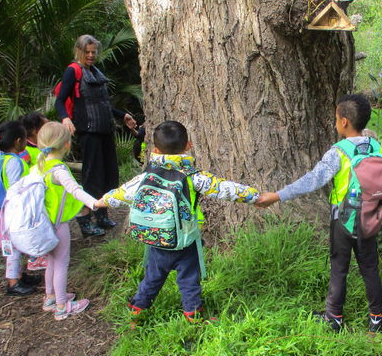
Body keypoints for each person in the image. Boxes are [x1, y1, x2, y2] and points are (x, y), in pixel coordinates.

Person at [256, 94, 382, 334]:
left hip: (342, 220)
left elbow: (312, 180)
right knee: (370, 268)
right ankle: (377, 320)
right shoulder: (377, 148)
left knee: (339, 267)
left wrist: (278, 195)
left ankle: (334, 318)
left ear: (343, 122)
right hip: (370, 219)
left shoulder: (339, 152)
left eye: (336, 118)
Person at [94, 121, 260, 324]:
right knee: (189, 278)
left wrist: (99, 202)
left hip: (156, 239)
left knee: (152, 277)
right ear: (188, 146)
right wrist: (255, 197)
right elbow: (224, 188)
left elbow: (119, 194)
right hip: (185, 241)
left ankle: (137, 309)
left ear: (155, 150)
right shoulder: (193, 176)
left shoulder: (145, 177)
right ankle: (192, 315)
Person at [55, 34, 136, 237]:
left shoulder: (96, 72)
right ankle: (84, 219)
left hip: (105, 129)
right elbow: (60, 100)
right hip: (89, 130)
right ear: (79, 51)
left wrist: (123, 115)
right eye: (87, 52)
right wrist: (65, 118)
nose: (91, 56)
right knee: (93, 176)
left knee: (110, 173)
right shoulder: (73, 71)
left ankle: (102, 215)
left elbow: (103, 105)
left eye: (93, 52)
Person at [33, 122, 99, 320]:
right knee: (61, 263)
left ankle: (50, 297)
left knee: (51, 262)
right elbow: (75, 190)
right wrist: (97, 203)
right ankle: (62, 306)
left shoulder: (38, 166)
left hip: (43, 224)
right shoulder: (59, 170)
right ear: (67, 145)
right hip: (57, 225)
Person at [0, 121, 42, 296]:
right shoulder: (13, 162)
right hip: (12, 212)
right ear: (18, 141)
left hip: (4, 211)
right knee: (13, 247)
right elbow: (15, 187)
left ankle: (17, 276)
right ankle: (13, 284)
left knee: (14, 245)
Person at [19, 112, 50, 271]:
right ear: (34, 131)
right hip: (31, 193)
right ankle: (34, 258)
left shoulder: (39, 147)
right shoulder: (26, 151)